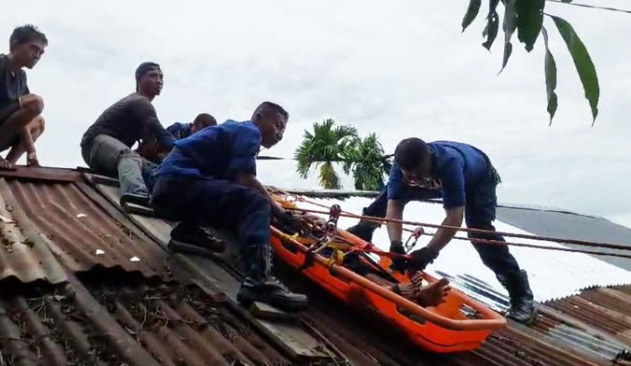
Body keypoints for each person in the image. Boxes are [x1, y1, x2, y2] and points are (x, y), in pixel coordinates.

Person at [347, 138, 537, 324]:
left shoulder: (449, 164)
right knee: (381, 203)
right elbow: (394, 207)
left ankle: (522, 297)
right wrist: (395, 245)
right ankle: (357, 239)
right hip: (435, 178)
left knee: (481, 234)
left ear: (429, 159)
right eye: (409, 174)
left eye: (419, 173)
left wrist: (429, 253)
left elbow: (454, 218)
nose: (415, 179)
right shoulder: (402, 170)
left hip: (476, 180)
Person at [151, 102, 308, 311]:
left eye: (283, 131)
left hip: (165, 192)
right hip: (180, 185)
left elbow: (231, 186)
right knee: (256, 201)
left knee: (231, 196)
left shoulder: (232, 133)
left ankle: (188, 230)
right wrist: (282, 214)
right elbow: (245, 179)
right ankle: (258, 280)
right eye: (278, 125)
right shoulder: (250, 131)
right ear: (259, 116)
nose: (280, 134)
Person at [80, 62, 174, 208]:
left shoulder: (146, 111)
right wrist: (187, 150)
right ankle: (137, 194)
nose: (159, 80)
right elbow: (163, 135)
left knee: (154, 170)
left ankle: (165, 201)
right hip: (94, 144)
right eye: (153, 76)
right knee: (129, 156)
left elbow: (153, 144)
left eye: (161, 77)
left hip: (114, 154)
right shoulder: (139, 101)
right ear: (139, 80)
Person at [0, 25, 48, 170]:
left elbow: (22, 118)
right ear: (15, 43)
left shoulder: (21, 77)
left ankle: (8, 164)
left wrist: (31, 152)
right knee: (35, 102)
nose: (37, 56)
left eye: (41, 53)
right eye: (33, 48)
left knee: (38, 122)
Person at [137, 113, 217, 163]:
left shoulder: (202, 146)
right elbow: (169, 146)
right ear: (193, 125)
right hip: (154, 161)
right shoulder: (179, 130)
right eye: (200, 130)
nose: (201, 135)